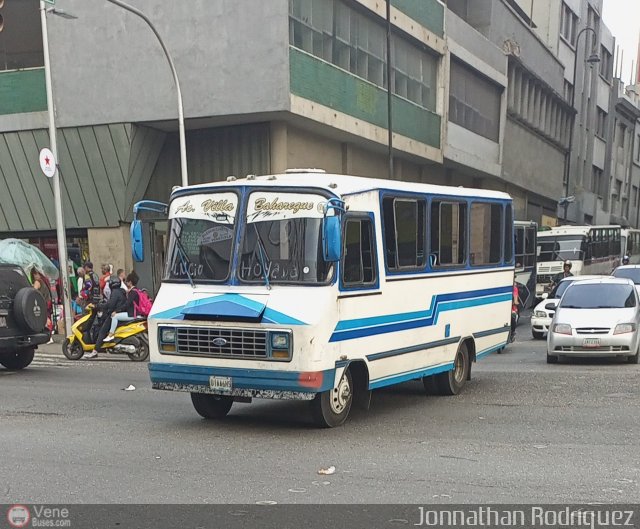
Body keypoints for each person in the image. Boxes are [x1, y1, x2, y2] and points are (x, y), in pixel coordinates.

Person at [88, 275, 129, 358]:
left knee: (102, 331)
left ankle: (95, 350)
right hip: (120, 312)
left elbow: (110, 304)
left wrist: (98, 306)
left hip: (114, 314)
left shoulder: (115, 292)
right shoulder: (121, 291)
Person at [103, 271, 140, 343]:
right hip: (135, 313)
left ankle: (111, 334)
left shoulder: (132, 292)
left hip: (133, 314)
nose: (126, 283)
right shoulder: (136, 290)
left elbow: (127, 304)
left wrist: (116, 311)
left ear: (130, 282)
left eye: (127, 282)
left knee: (114, 316)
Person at [31, 268, 54, 344]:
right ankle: (49, 335)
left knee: (45, 319)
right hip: (48, 301)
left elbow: (33, 291)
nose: (36, 276)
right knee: (47, 318)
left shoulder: (37, 282)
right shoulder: (45, 281)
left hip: (43, 303)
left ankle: (48, 336)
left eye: (36, 274)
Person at [509, 279, 520, 344]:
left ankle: (512, 332)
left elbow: (516, 299)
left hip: (512, 308)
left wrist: (515, 302)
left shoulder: (514, 289)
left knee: (514, 316)